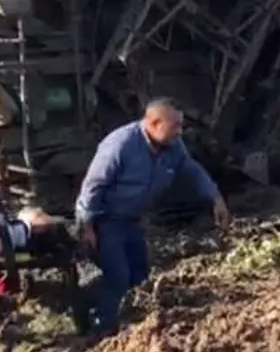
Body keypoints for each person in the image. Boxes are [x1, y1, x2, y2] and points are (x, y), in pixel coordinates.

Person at [75, 98, 231, 335]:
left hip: (133, 218)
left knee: (139, 273)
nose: (180, 131)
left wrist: (216, 198)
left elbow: (191, 169)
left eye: (181, 125)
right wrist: (86, 226)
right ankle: (100, 328)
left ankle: (132, 326)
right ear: (155, 123)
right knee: (118, 275)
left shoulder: (174, 146)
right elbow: (93, 186)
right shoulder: (121, 145)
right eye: (174, 126)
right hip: (105, 219)